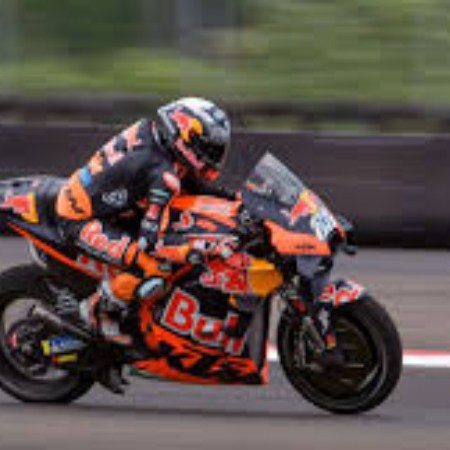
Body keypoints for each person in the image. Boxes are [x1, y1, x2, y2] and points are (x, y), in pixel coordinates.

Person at [55, 97, 235, 349]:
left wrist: (235, 200)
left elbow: (193, 185)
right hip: (81, 219)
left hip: (98, 202)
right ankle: (96, 311)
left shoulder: (153, 135)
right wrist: (194, 250)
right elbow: (149, 243)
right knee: (155, 268)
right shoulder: (162, 175)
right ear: (187, 137)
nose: (214, 157)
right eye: (210, 148)